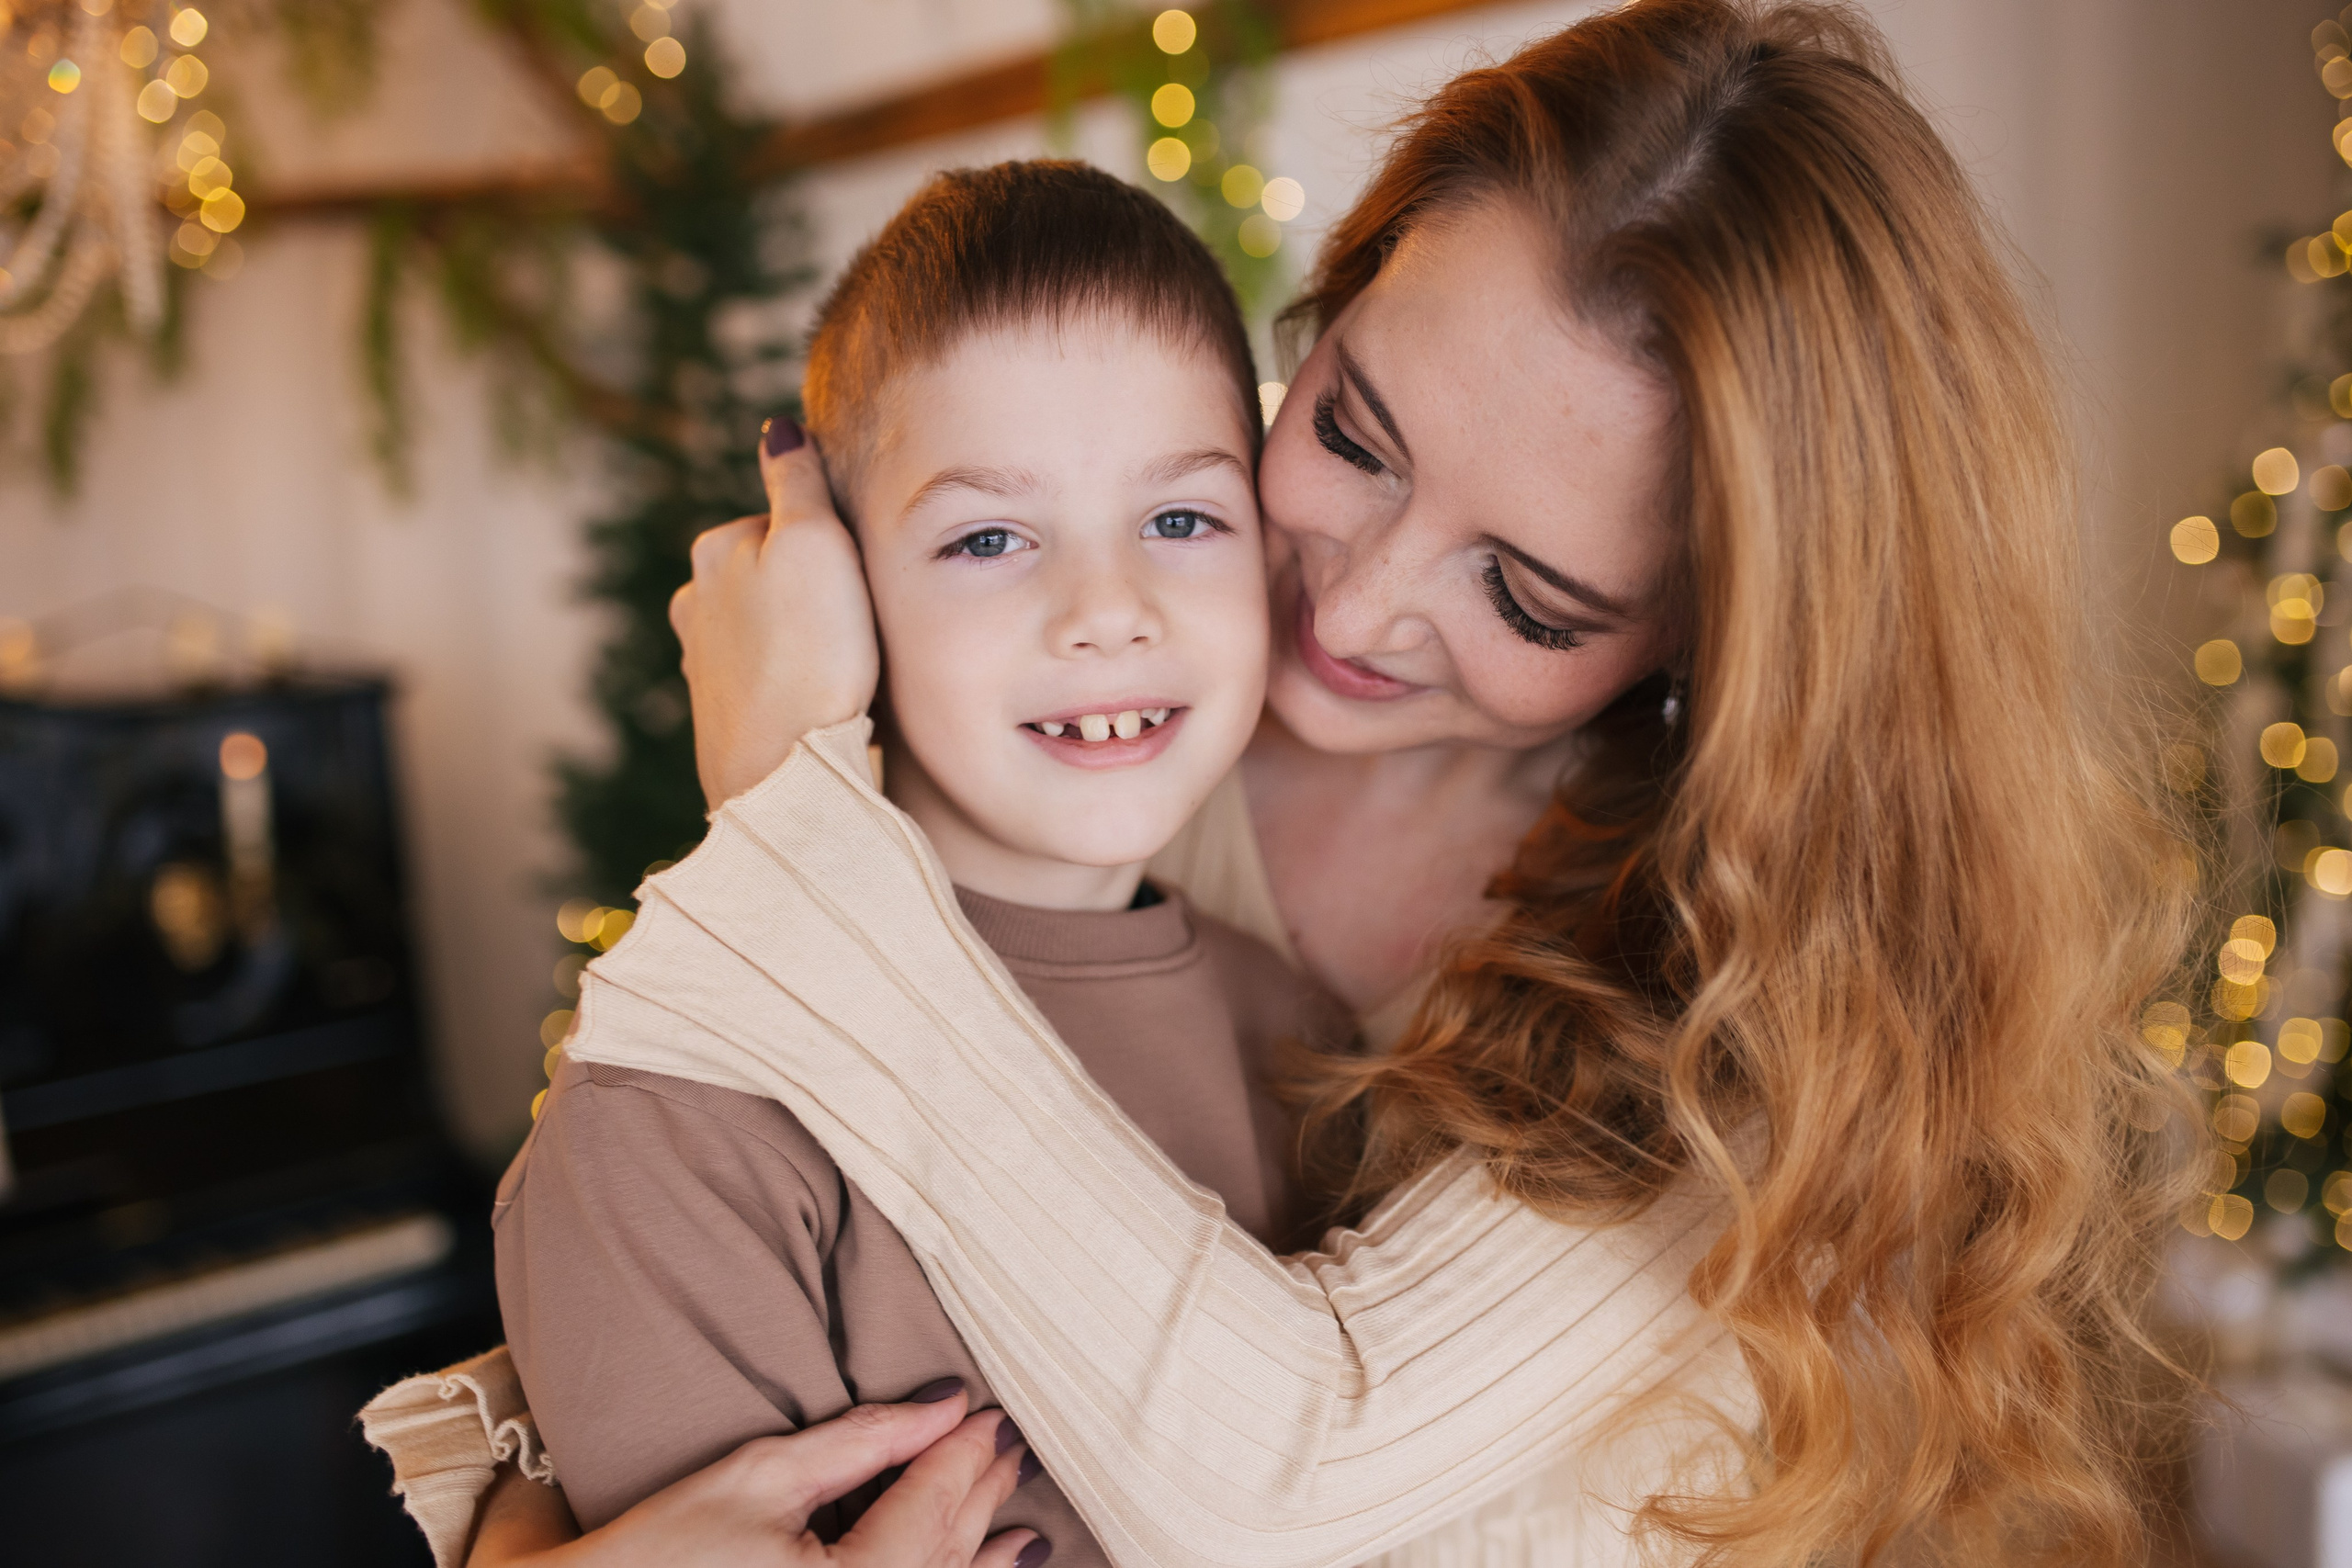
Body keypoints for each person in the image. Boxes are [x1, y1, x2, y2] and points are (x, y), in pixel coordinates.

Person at [376, 3, 2199, 1564]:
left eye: (1528, 590)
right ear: (1322, 305)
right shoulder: (1080, 730)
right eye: (1350, 431)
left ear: (1717, 640)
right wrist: (533, 1525)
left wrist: (790, 815)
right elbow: (676, 1200)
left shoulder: (1769, 1006)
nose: (1353, 596)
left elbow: (1270, 1474)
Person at [492, 158, 1348, 1568]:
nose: (1106, 611)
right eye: (990, 537)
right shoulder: (677, 1107)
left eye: (1182, 518)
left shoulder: (1305, 1033)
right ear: (834, 588)